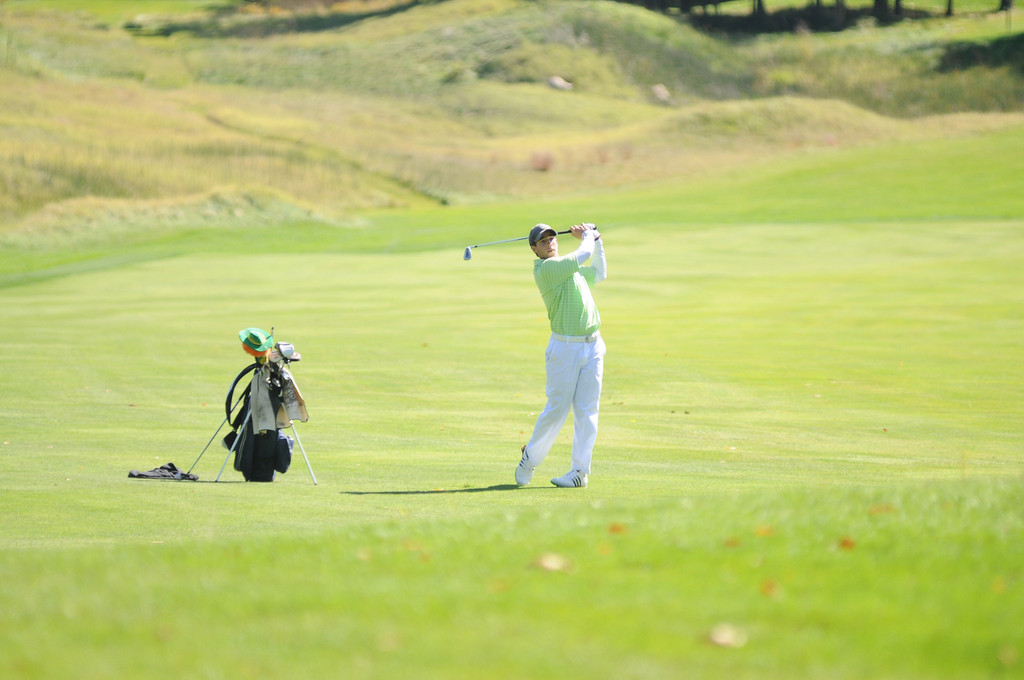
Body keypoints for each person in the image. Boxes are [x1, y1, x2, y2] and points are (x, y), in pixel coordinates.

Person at [516, 222, 606, 488]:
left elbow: (599, 273)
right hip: (565, 348)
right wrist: (587, 236)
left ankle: (579, 472)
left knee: (587, 412)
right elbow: (583, 254)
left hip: (593, 345)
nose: (550, 243)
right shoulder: (547, 269)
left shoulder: (570, 268)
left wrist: (598, 241)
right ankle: (530, 458)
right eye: (543, 241)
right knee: (557, 410)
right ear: (534, 249)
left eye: (552, 238)